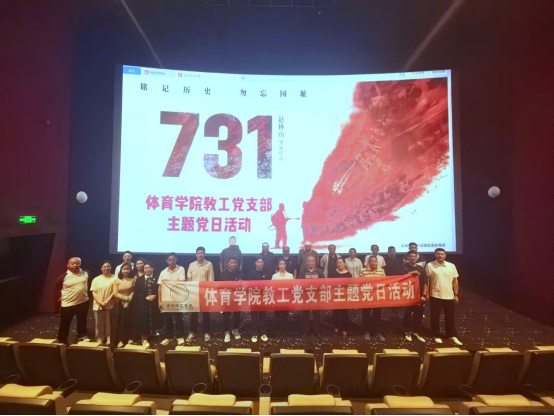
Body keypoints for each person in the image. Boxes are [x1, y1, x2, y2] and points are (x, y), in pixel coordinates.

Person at [426, 248, 462, 345]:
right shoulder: (430, 265)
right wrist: (427, 293)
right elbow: (428, 280)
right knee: (435, 316)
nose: (440, 256)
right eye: (438, 254)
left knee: (450, 316)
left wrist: (456, 294)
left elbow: (455, 281)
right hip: (435, 295)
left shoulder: (451, 266)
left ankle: (451, 335)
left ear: (445, 255)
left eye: (442, 254)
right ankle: (435, 334)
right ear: (435, 255)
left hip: (449, 295)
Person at [55, 257, 91, 344]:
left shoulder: (86, 273)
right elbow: (57, 288)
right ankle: (62, 340)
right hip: (68, 303)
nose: (75, 265)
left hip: (83, 302)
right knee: (65, 323)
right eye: (73, 263)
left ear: (80, 264)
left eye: (77, 263)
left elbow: (89, 284)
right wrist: (59, 298)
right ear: (68, 265)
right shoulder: (63, 277)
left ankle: (82, 335)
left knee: (82, 320)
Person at [187, 247, 214, 343]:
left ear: (204, 254)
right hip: (194, 292)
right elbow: (189, 280)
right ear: (196, 255)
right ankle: (192, 332)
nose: (200, 255)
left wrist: (209, 292)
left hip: (204, 293)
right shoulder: (191, 265)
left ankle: (206, 332)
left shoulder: (209, 264)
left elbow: (211, 279)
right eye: (198, 253)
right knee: (193, 314)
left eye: (201, 253)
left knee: (205, 314)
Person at [158, 252, 186, 346]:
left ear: (176, 260)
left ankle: (180, 336)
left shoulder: (181, 269)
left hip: (177, 297)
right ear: (167, 261)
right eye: (169, 260)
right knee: (167, 318)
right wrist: (159, 301)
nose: (171, 261)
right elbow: (160, 287)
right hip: (166, 298)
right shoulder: (163, 272)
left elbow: (181, 282)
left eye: (173, 260)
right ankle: (168, 336)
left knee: (178, 318)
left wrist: (168, 282)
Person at [134, 261, 160, 348]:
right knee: (143, 320)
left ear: (153, 269)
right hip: (143, 303)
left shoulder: (157, 278)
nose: (147, 270)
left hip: (154, 303)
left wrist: (155, 295)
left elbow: (160, 289)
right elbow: (136, 292)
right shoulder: (139, 279)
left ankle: (152, 333)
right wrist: (145, 297)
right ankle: (143, 338)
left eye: (149, 268)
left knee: (154, 319)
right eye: (145, 268)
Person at [403, 251, 428, 343]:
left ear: (417, 257)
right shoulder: (404, 267)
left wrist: (424, 295)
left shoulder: (421, 268)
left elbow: (425, 283)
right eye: (410, 256)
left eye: (414, 256)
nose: (413, 258)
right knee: (407, 314)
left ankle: (416, 331)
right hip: (408, 295)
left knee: (418, 314)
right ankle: (407, 331)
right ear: (407, 257)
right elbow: (400, 279)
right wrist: (412, 273)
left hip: (419, 295)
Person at [90, 261, 117, 345]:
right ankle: (99, 338)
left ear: (111, 267)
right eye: (104, 267)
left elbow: (115, 291)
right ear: (101, 268)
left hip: (110, 304)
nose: (106, 268)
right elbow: (94, 292)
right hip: (98, 304)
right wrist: (100, 302)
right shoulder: (96, 279)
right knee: (99, 323)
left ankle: (109, 337)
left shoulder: (115, 278)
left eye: (108, 266)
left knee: (109, 322)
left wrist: (106, 301)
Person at [360, 256, 386, 342]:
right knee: (366, 314)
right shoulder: (363, 271)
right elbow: (360, 283)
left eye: (375, 261)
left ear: (377, 262)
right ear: (368, 262)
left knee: (377, 315)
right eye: (371, 261)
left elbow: (385, 282)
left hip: (377, 297)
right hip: (367, 296)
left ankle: (377, 331)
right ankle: (366, 331)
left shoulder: (381, 271)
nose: (373, 263)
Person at [246, 257, 271, 343]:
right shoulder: (251, 273)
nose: (260, 264)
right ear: (255, 263)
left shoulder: (267, 273)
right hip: (254, 297)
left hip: (264, 297)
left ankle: (263, 333)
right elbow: (248, 285)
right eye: (258, 262)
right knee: (254, 316)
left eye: (261, 262)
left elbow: (269, 284)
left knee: (263, 316)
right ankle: (255, 333)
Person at [298, 255, 323, 337]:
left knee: (317, 314)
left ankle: (317, 331)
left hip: (316, 296)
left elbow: (323, 283)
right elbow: (299, 283)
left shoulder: (319, 271)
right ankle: (305, 331)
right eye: (309, 261)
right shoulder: (302, 271)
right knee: (305, 314)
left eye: (313, 261)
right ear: (306, 262)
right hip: (306, 295)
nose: (311, 262)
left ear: (315, 262)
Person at [219, 258, 243, 343]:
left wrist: (241, 282)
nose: (232, 264)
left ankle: (235, 330)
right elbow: (219, 286)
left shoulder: (240, 273)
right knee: (226, 315)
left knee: (237, 314)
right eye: (231, 263)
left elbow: (244, 284)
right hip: (227, 297)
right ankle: (226, 332)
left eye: (234, 263)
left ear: (236, 264)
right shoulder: (223, 274)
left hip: (237, 297)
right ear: (228, 264)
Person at [112, 263, 136, 348]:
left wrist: (129, 299)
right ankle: (121, 340)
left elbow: (134, 291)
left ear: (130, 270)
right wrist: (126, 298)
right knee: (121, 322)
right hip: (119, 304)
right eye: (124, 269)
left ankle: (130, 338)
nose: (125, 271)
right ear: (121, 270)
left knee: (130, 321)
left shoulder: (133, 280)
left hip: (131, 304)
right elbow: (115, 293)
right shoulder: (116, 280)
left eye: (127, 269)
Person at [328, 257, 352, 338]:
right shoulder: (332, 273)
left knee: (345, 313)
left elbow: (350, 286)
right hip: (335, 296)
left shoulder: (348, 274)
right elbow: (329, 284)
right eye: (338, 263)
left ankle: (345, 330)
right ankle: (336, 329)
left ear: (344, 263)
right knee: (335, 313)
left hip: (345, 296)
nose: (339, 264)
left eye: (341, 262)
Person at [272, 259, 294, 338]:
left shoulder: (290, 276)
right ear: (278, 265)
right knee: (277, 316)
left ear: (285, 265)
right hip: (277, 299)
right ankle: (278, 331)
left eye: (283, 264)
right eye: (280, 264)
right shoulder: (274, 276)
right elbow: (272, 288)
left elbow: (292, 288)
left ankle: (284, 331)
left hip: (286, 300)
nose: (282, 266)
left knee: (285, 316)